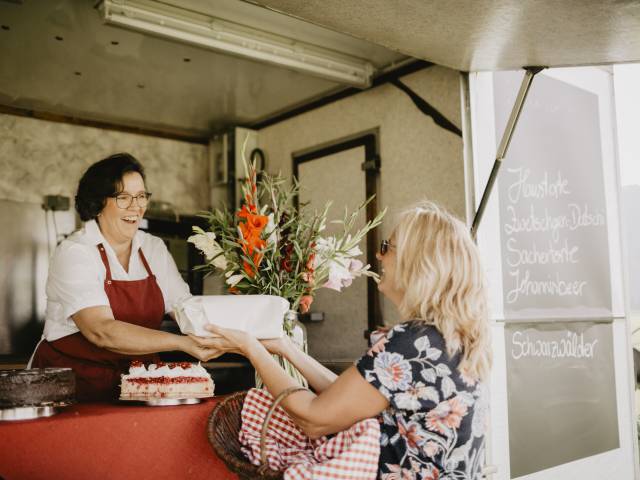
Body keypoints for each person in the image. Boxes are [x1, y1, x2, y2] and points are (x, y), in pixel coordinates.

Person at [201, 201, 492, 479]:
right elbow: (345, 397)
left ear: (417, 262)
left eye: (386, 247)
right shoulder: (443, 337)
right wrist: (285, 348)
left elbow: (315, 418)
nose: (378, 256)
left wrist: (250, 348)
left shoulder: (412, 343)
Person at [30, 153, 218, 401]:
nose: (136, 206)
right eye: (123, 197)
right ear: (98, 203)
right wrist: (182, 343)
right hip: (70, 386)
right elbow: (101, 331)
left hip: (137, 385)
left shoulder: (153, 248)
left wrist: (240, 330)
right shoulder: (75, 252)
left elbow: (186, 309)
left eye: (141, 196)